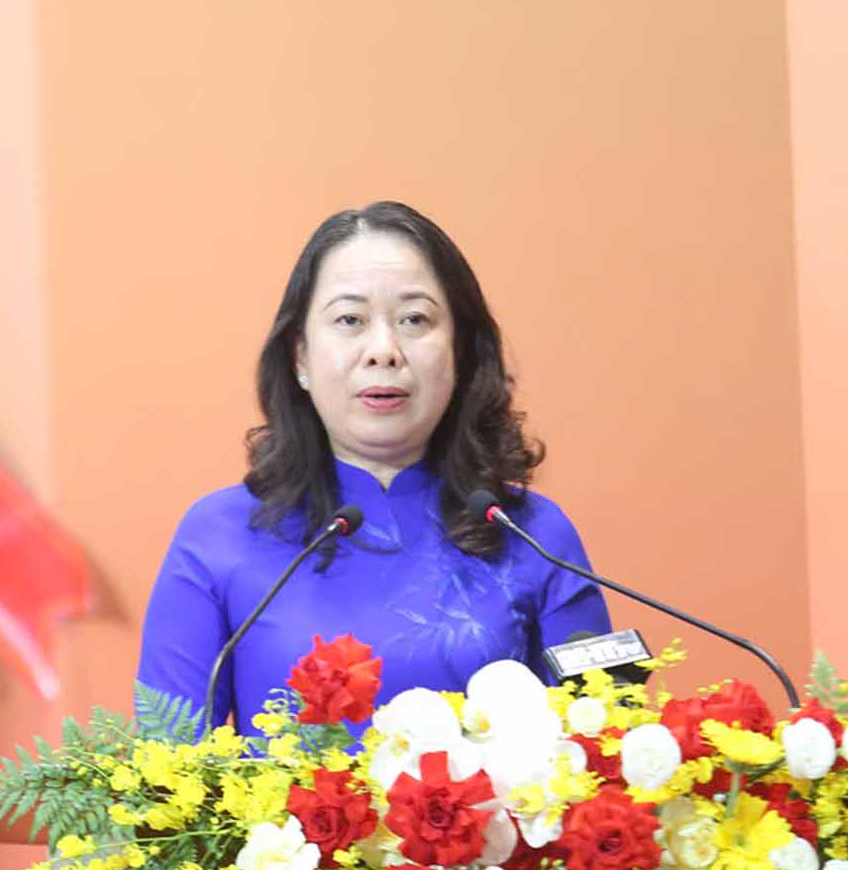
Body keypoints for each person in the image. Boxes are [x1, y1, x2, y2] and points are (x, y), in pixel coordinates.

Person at [135, 201, 610, 732]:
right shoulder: (218, 537)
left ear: (461, 353)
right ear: (300, 359)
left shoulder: (534, 534)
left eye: (414, 319)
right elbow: (163, 782)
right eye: (350, 320)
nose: (383, 350)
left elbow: (598, 761)